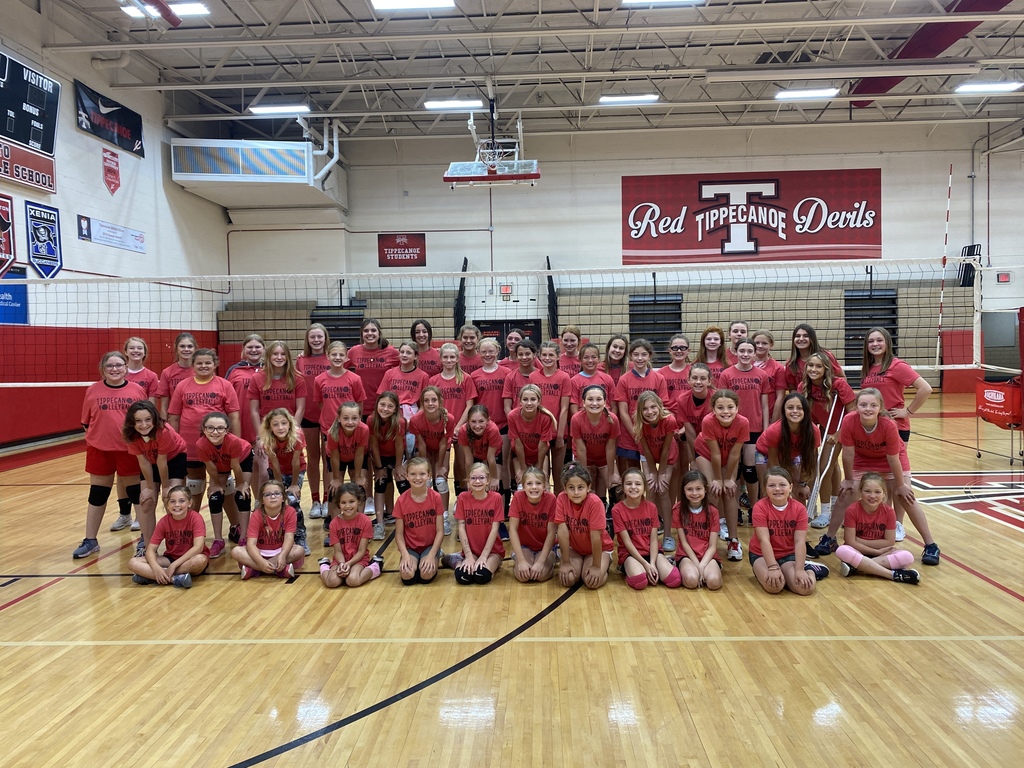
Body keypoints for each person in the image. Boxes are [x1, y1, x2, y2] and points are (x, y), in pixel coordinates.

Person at [816, 389, 941, 565]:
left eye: (873, 405)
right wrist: (850, 480)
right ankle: (829, 538)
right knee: (846, 493)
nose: (868, 409)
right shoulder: (849, 421)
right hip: (863, 459)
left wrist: (900, 485)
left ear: (880, 407)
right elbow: (848, 455)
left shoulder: (888, 425)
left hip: (890, 460)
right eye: (863, 405)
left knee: (905, 496)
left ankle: (931, 545)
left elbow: (893, 458)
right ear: (856, 407)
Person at [72, 352, 149, 559]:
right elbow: (86, 422)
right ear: (103, 368)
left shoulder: (136, 390)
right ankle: (90, 540)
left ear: (126, 367)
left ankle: (146, 538)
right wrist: (99, 439)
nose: (114, 369)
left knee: (135, 494)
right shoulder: (93, 390)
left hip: (129, 450)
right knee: (97, 494)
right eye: (110, 366)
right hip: (99, 450)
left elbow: (144, 420)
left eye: (119, 365)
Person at [860, 326, 933, 541]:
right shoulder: (870, 368)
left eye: (879, 340)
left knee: (896, 479)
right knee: (881, 478)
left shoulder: (896, 365)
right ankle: (886, 521)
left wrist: (907, 411)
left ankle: (898, 524)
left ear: (887, 343)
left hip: (896, 429)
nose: (875, 344)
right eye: (871, 341)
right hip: (874, 429)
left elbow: (925, 388)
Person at [167, 348, 240, 529]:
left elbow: (234, 416)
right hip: (190, 444)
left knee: (226, 484)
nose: (204, 366)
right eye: (199, 363)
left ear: (215, 364)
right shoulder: (183, 385)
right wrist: (175, 444)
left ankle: (236, 526)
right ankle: (191, 527)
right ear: (192, 365)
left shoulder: (224, 385)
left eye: (208, 362)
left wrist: (236, 443)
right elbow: (174, 416)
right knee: (195, 485)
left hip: (219, 445)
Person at [749, 467, 829, 595]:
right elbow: (763, 539)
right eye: (771, 485)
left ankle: (811, 570)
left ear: (790, 487)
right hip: (761, 555)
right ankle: (775, 571)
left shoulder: (799, 509)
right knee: (774, 587)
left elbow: (799, 541)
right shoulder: (760, 507)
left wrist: (799, 570)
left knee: (806, 589)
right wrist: (772, 567)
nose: (777, 489)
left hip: (788, 554)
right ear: (765, 489)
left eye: (782, 485)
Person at [123, 400, 187, 555]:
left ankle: (178, 545)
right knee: (146, 502)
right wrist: (151, 488)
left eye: (147, 420)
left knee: (172, 501)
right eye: (138, 421)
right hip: (149, 460)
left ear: (154, 419)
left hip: (174, 459)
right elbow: (143, 462)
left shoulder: (164, 431)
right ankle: (148, 546)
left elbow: (162, 461)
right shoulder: (130, 435)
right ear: (132, 422)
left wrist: (165, 487)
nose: (143, 425)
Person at [800, 352, 855, 527]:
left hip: (842, 430)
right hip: (823, 429)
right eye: (811, 365)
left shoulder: (839, 385)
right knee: (819, 466)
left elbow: (852, 412)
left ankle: (825, 513)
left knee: (823, 467)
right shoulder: (804, 386)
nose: (813, 369)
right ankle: (832, 505)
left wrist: (839, 433)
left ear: (826, 369)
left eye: (818, 366)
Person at [835, 473, 921, 584]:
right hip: (860, 551)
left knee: (907, 557)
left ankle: (856, 567)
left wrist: (859, 540)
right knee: (842, 550)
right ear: (860, 491)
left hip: (879, 554)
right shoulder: (852, 510)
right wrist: (876, 551)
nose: (872, 496)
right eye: (867, 491)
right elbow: (850, 542)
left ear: (884, 494)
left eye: (877, 492)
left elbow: (889, 542)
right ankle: (892, 575)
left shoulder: (889, 512)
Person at [693, 389, 748, 562]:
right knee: (714, 491)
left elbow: (734, 454)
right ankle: (708, 541)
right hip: (705, 454)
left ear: (737, 408)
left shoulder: (743, 422)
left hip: (728, 457)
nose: (726, 411)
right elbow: (715, 454)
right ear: (713, 409)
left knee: (731, 491)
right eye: (720, 407)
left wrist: (730, 479)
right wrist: (717, 479)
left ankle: (733, 541)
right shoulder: (708, 421)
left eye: (730, 407)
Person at [719, 338, 772, 517]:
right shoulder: (727, 374)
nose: (746, 354)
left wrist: (765, 430)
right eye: (742, 351)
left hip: (754, 428)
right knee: (734, 470)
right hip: (732, 428)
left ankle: (754, 509)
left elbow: (764, 405)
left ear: (754, 353)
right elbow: (721, 403)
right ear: (735, 352)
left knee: (750, 471)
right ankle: (733, 512)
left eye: (750, 351)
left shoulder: (761, 375)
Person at [313, 341, 367, 515]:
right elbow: (322, 403)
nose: (337, 358)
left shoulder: (354, 379)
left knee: (356, 480)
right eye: (333, 355)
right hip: (331, 430)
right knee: (334, 479)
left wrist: (352, 422)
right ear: (327, 356)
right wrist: (334, 424)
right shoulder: (319, 379)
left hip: (352, 430)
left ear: (346, 357)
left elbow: (359, 403)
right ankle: (333, 516)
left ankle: (357, 517)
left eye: (341, 355)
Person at [127, 485, 208, 589]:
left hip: (190, 559)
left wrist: (173, 566)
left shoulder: (196, 518)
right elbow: (150, 550)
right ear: (167, 505)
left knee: (200, 560)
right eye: (172, 501)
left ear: (190, 503)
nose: (177, 505)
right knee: (133, 562)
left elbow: (198, 548)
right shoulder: (164, 521)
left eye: (182, 501)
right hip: (170, 558)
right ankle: (175, 579)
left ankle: (151, 576)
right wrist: (156, 568)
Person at [195, 411, 252, 558]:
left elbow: (235, 466)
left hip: (243, 459)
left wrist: (240, 484)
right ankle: (218, 540)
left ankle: (244, 537)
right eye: (210, 428)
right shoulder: (201, 444)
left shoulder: (233, 442)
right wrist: (215, 485)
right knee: (215, 497)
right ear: (204, 429)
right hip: (219, 465)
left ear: (227, 430)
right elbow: (212, 468)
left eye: (220, 428)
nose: (215, 432)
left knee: (242, 495)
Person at [612, 468, 681, 590]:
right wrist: (645, 564)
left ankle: (660, 565)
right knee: (640, 582)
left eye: (638, 484)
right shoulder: (617, 510)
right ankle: (631, 569)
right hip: (631, 554)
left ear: (644, 487)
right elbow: (627, 543)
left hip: (651, 552)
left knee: (674, 580)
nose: (633, 487)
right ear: (622, 487)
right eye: (629, 484)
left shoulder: (651, 507)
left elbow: (654, 539)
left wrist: (653, 564)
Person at [613, 339, 668, 483]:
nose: (639, 358)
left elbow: (662, 407)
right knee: (632, 477)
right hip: (629, 436)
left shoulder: (659, 378)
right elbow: (623, 411)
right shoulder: (624, 380)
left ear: (649, 356)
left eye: (644, 355)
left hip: (652, 435)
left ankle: (651, 505)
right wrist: (636, 434)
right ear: (630, 356)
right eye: (636, 354)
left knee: (652, 478)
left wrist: (653, 432)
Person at [257, 408, 309, 555]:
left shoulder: (297, 435)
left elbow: (295, 462)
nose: (280, 428)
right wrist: (280, 489)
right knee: (278, 501)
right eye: (276, 424)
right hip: (278, 471)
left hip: (296, 470)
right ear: (269, 427)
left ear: (289, 424)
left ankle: (300, 538)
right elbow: (275, 464)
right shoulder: (268, 439)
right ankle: (280, 538)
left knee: (292, 500)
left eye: (284, 423)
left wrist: (293, 485)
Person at [555, 464, 613, 589]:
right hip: (575, 549)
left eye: (580, 487)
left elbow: (595, 537)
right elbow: (562, 532)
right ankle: (581, 566)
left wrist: (597, 567)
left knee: (592, 582)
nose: (576, 492)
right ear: (565, 488)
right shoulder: (561, 499)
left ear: (588, 487)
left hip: (598, 549)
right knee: (568, 579)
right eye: (571, 488)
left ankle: (605, 563)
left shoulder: (595, 502)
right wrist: (565, 563)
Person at [231, 480, 305, 579]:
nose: (273, 497)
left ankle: (254, 569)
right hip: (259, 553)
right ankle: (278, 570)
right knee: (236, 551)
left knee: (299, 550)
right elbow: (251, 544)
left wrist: (282, 556)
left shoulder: (290, 512)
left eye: (277, 493)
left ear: (283, 498)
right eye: (267, 495)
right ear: (262, 500)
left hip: (279, 552)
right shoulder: (256, 515)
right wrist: (261, 562)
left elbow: (289, 538)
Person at [755, 393, 820, 504]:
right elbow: (773, 463)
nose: (795, 411)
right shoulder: (774, 430)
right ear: (784, 411)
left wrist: (802, 484)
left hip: (792, 454)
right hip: (765, 453)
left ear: (806, 411)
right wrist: (781, 483)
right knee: (770, 490)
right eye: (790, 407)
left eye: (799, 408)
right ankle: (769, 518)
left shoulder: (813, 431)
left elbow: (809, 460)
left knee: (798, 492)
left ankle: (798, 519)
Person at [430, 342, 477, 494]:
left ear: (457, 358)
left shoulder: (465, 378)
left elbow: (469, 405)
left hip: (461, 427)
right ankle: (438, 499)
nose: (449, 360)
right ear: (440, 359)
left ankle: (461, 494)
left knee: (462, 465)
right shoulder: (434, 381)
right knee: (441, 466)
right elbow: (432, 406)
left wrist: (458, 427)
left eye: (452, 357)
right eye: (445, 357)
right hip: (440, 428)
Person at [634, 391, 678, 549]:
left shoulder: (669, 420)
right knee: (651, 488)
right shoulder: (640, 423)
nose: (650, 411)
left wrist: (661, 474)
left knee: (663, 489)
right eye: (645, 409)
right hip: (648, 455)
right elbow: (646, 450)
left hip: (668, 455)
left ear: (659, 406)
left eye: (653, 407)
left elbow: (666, 450)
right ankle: (648, 533)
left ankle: (667, 535)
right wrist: (653, 473)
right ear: (640, 411)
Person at [296, 324, 331, 522]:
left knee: (327, 459)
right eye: (313, 337)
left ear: (325, 338)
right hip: (308, 413)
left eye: (320, 336)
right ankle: (315, 500)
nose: (316, 340)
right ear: (307, 340)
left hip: (328, 415)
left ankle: (327, 499)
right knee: (313, 458)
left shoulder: (333, 356)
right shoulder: (301, 360)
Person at [393, 457, 446, 585]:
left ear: (429, 475)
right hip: (411, 548)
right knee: (407, 575)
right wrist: (405, 555)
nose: (418, 478)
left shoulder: (436, 497)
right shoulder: (401, 501)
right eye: (413, 474)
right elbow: (399, 534)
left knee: (426, 575)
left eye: (422, 474)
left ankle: (436, 555)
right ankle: (415, 560)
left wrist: (431, 554)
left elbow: (440, 531)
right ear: (406, 476)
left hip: (429, 546)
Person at [319, 482, 383, 587]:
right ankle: (324, 566)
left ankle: (376, 566)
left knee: (352, 580)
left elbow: (362, 551)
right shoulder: (334, 523)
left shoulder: (365, 521)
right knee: (332, 582)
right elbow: (338, 551)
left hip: (359, 559)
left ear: (358, 501)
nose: (347, 506)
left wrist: (349, 564)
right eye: (343, 502)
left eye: (351, 501)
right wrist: (342, 564)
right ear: (338, 504)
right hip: (340, 560)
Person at [450, 463, 505, 584]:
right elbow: (462, 528)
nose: (477, 481)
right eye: (473, 478)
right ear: (468, 481)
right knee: (463, 577)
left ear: (488, 480)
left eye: (481, 478)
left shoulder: (495, 498)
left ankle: (495, 564)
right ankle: (457, 561)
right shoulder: (463, 497)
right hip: (472, 551)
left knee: (481, 576)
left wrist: (484, 556)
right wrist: (469, 556)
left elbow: (494, 529)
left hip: (492, 551)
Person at [408, 385, 455, 522]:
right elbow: (421, 444)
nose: (430, 404)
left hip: (441, 449)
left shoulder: (449, 419)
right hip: (425, 450)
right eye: (426, 400)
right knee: (425, 480)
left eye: (434, 400)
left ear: (440, 401)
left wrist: (440, 466)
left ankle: (444, 516)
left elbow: (443, 443)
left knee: (440, 481)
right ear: (422, 402)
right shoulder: (416, 420)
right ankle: (427, 513)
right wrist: (426, 467)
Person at [530, 341, 571, 491]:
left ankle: (559, 505)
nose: (547, 358)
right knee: (541, 472)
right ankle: (544, 505)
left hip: (558, 432)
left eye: (551, 355)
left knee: (559, 472)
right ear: (539, 356)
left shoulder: (564, 377)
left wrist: (560, 435)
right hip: (539, 433)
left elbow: (565, 408)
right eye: (544, 355)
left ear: (558, 356)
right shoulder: (533, 376)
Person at [672, 471, 722, 590]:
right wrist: (697, 565)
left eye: (698, 488)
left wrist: (703, 565)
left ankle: (712, 569)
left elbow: (712, 546)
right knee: (691, 581)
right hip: (687, 555)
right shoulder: (677, 510)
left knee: (714, 582)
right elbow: (684, 543)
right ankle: (680, 565)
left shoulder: (713, 511)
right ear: (683, 491)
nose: (694, 493)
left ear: (705, 489)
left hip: (708, 555)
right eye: (690, 489)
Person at [570, 384, 620, 502]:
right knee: (583, 486)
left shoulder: (612, 419)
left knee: (616, 485)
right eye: (590, 399)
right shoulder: (576, 419)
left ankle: (611, 509)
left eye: (599, 399)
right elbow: (581, 449)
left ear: (605, 402)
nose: (594, 403)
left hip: (603, 457)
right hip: (583, 457)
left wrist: (611, 474)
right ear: (583, 402)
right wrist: (584, 475)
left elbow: (610, 448)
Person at [508, 466, 557, 583]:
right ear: (523, 486)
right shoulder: (518, 497)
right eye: (529, 483)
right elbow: (513, 529)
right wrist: (521, 561)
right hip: (525, 546)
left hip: (545, 546)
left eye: (538, 483)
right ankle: (519, 556)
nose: (534, 487)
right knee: (523, 576)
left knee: (540, 575)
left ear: (544, 486)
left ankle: (553, 559)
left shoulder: (551, 499)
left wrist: (540, 563)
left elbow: (552, 532)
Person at [326, 401, 370, 532]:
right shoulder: (332, 432)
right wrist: (336, 478)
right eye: (346, 418)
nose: (350, 422)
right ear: (339, 418)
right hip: (337, 458)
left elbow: (359, 454)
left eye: (354, 418)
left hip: (357, 457)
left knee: (359, 489)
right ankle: (335, 528)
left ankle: (360, 527)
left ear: (360, 418)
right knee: (334, 490)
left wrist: (357, 477)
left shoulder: (364, 429)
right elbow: (334, 456)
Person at [368, 391, 407, 532]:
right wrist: (378, 467)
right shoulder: (372, 420)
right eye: (382, 404)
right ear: (377, 404)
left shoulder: (400, 422)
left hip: (397, 455)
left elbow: (399, 446)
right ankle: (379, 523)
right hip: (381, 456)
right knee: (381, 482)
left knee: (403, 484)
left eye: (390, 406)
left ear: (396, 408)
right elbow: (373, 445)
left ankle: (409, 519)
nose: (385, 409)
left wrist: (398, 466)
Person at [347, 318, 399, 418]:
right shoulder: (354, 351)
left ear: (379, 333)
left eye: (373, 330)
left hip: (384, 407)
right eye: (366, 331)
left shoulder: (391, 352)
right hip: (360, 405)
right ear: (362, 334)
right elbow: (338, 369)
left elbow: (406, 368)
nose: (370, 333)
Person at [508, 384, 557, 487]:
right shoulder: (512, 416)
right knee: (522, 483)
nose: (529, 403)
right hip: (519, 455)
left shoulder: (545, 417)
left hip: (539, 455)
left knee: (543, 483)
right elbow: (518, 443)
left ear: (539, 401)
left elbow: (542, 445)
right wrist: (523, 468)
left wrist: (539, 468)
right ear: (520, 401)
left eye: (533, 399)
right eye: (525, 399)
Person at [669, 361, 714, 472]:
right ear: (688, 380)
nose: (698, 382)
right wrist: (694, 460)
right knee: (695, 470)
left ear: (709, 381)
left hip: (714, 441)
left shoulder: (716, 398)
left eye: (703, 378)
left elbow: (716, 431)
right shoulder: (682, 400)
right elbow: (690, 434)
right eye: (694, 378)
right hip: (694, 440)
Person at [225, 333, 265, 446]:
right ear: (243, 349)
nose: (254, 350)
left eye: (257, 347)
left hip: (263, 418)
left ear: (264, 348)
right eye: (250, 347)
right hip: (240, 419)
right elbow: (225, 395)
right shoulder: (234, 370)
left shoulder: (270, 369)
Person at [785, 323, 844, 391]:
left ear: (812, 338)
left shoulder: (826, 356)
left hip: (827, 398)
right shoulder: (791, 363)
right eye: (797, 336)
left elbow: (841, 377)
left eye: (806, 336)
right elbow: (793, 389)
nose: (801, 339)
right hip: (805, 399)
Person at [457, 405, 501, 491]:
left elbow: (490, 458)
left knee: (495, 485)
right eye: (473, 421)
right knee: (476, 483)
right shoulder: (463, 431)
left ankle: (502, 503)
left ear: (488, 420)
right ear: (468, 421)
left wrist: (495, 478)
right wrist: (469, 478)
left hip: (493, 454)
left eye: (481, 421)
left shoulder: (493, 430)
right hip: (477, 454)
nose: (477, 426)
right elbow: (468, 459)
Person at [155, 332, 197, 418]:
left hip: (196, 416)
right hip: (175, 418)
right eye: (182, 346)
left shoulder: (200, 371)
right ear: (176, 348)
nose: (186, 349)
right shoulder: (167, 372)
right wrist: (164, 423)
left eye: (190, 346)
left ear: (195, 348)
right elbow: (164, 405)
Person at [568, 342, 615, 416]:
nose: (590, 360)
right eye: (586, 357)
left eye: (593, 357)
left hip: (605, 420)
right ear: (580, 359)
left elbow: (614, 405)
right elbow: (574, 408)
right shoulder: (574, 381)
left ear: (599, 359)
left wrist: (610, 419)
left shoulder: (607, 378)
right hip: (584, 421)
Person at [751, 330, 786, 422]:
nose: (760, 346)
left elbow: (780, 397)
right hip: (749, 414)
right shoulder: (745, 363)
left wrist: (774, 421)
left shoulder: (778, 368)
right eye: (757, 343)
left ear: (771, 345)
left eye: (764, 343)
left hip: (769, 415)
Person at [659, 333, 692, 405]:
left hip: (689, 413)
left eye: (683, 348)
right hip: (667, 414)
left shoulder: (694, 371)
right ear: (670, 351)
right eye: (675, 348)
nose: (679, 351)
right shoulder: (660, 373)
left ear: (688, 351)